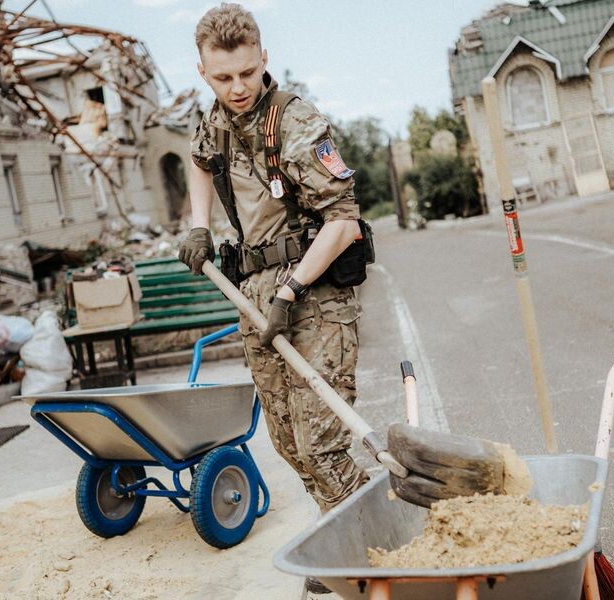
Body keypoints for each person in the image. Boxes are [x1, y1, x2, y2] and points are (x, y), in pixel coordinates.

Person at [178, 3, 368, 581]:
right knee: (287, 441)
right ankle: (343, 539)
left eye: (247, 72)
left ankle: (368, 554)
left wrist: (291, 291)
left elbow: (345, 222)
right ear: (204, 72)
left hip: (314, 293)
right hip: (254, 292)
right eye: (222, 77)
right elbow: (199, 161)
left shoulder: (295, 122)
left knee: (322, 444)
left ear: (264, 58)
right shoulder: (215, 120)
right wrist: (199, 225)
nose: (237, 87)